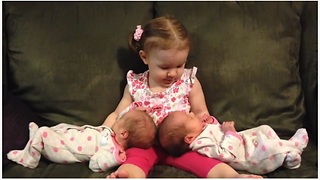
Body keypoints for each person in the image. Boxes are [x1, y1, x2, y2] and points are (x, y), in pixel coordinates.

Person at [103, 15, 262, 178]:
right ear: (145, 57)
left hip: (182, 146)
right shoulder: (135, 85)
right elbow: (117, 115)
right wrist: (105, 134)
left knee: (207, 162)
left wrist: (205, 122)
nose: (172, 73)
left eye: (179, 65)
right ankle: (127, 176)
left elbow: (201, 112)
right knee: (134, 160)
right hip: (144, 146)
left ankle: (234, 177)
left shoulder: (189, 81)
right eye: (164, 67)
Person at [158, 111, 309, 174]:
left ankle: (287, 158)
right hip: (247, 157)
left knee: (264, 129)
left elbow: (216, 131)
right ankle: (296, 145)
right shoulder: (201, 145)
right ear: (189, 138)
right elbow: (226, 154)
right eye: (189, 118)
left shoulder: (201, 131)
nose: (192, 113)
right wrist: (229, 132)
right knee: (269, 147)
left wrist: (212, 121)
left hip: (245, 143)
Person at [7, 108, 156, 173]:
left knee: (42, 132)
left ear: (123, 133)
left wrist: (115, 159)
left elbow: (95, 164)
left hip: (63, 150)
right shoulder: (110, 134)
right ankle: (36, 140)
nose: (117, 119)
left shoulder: (112, 150)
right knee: (50, 130)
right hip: (67, 137)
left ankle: (29, 158)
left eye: (120, 119)